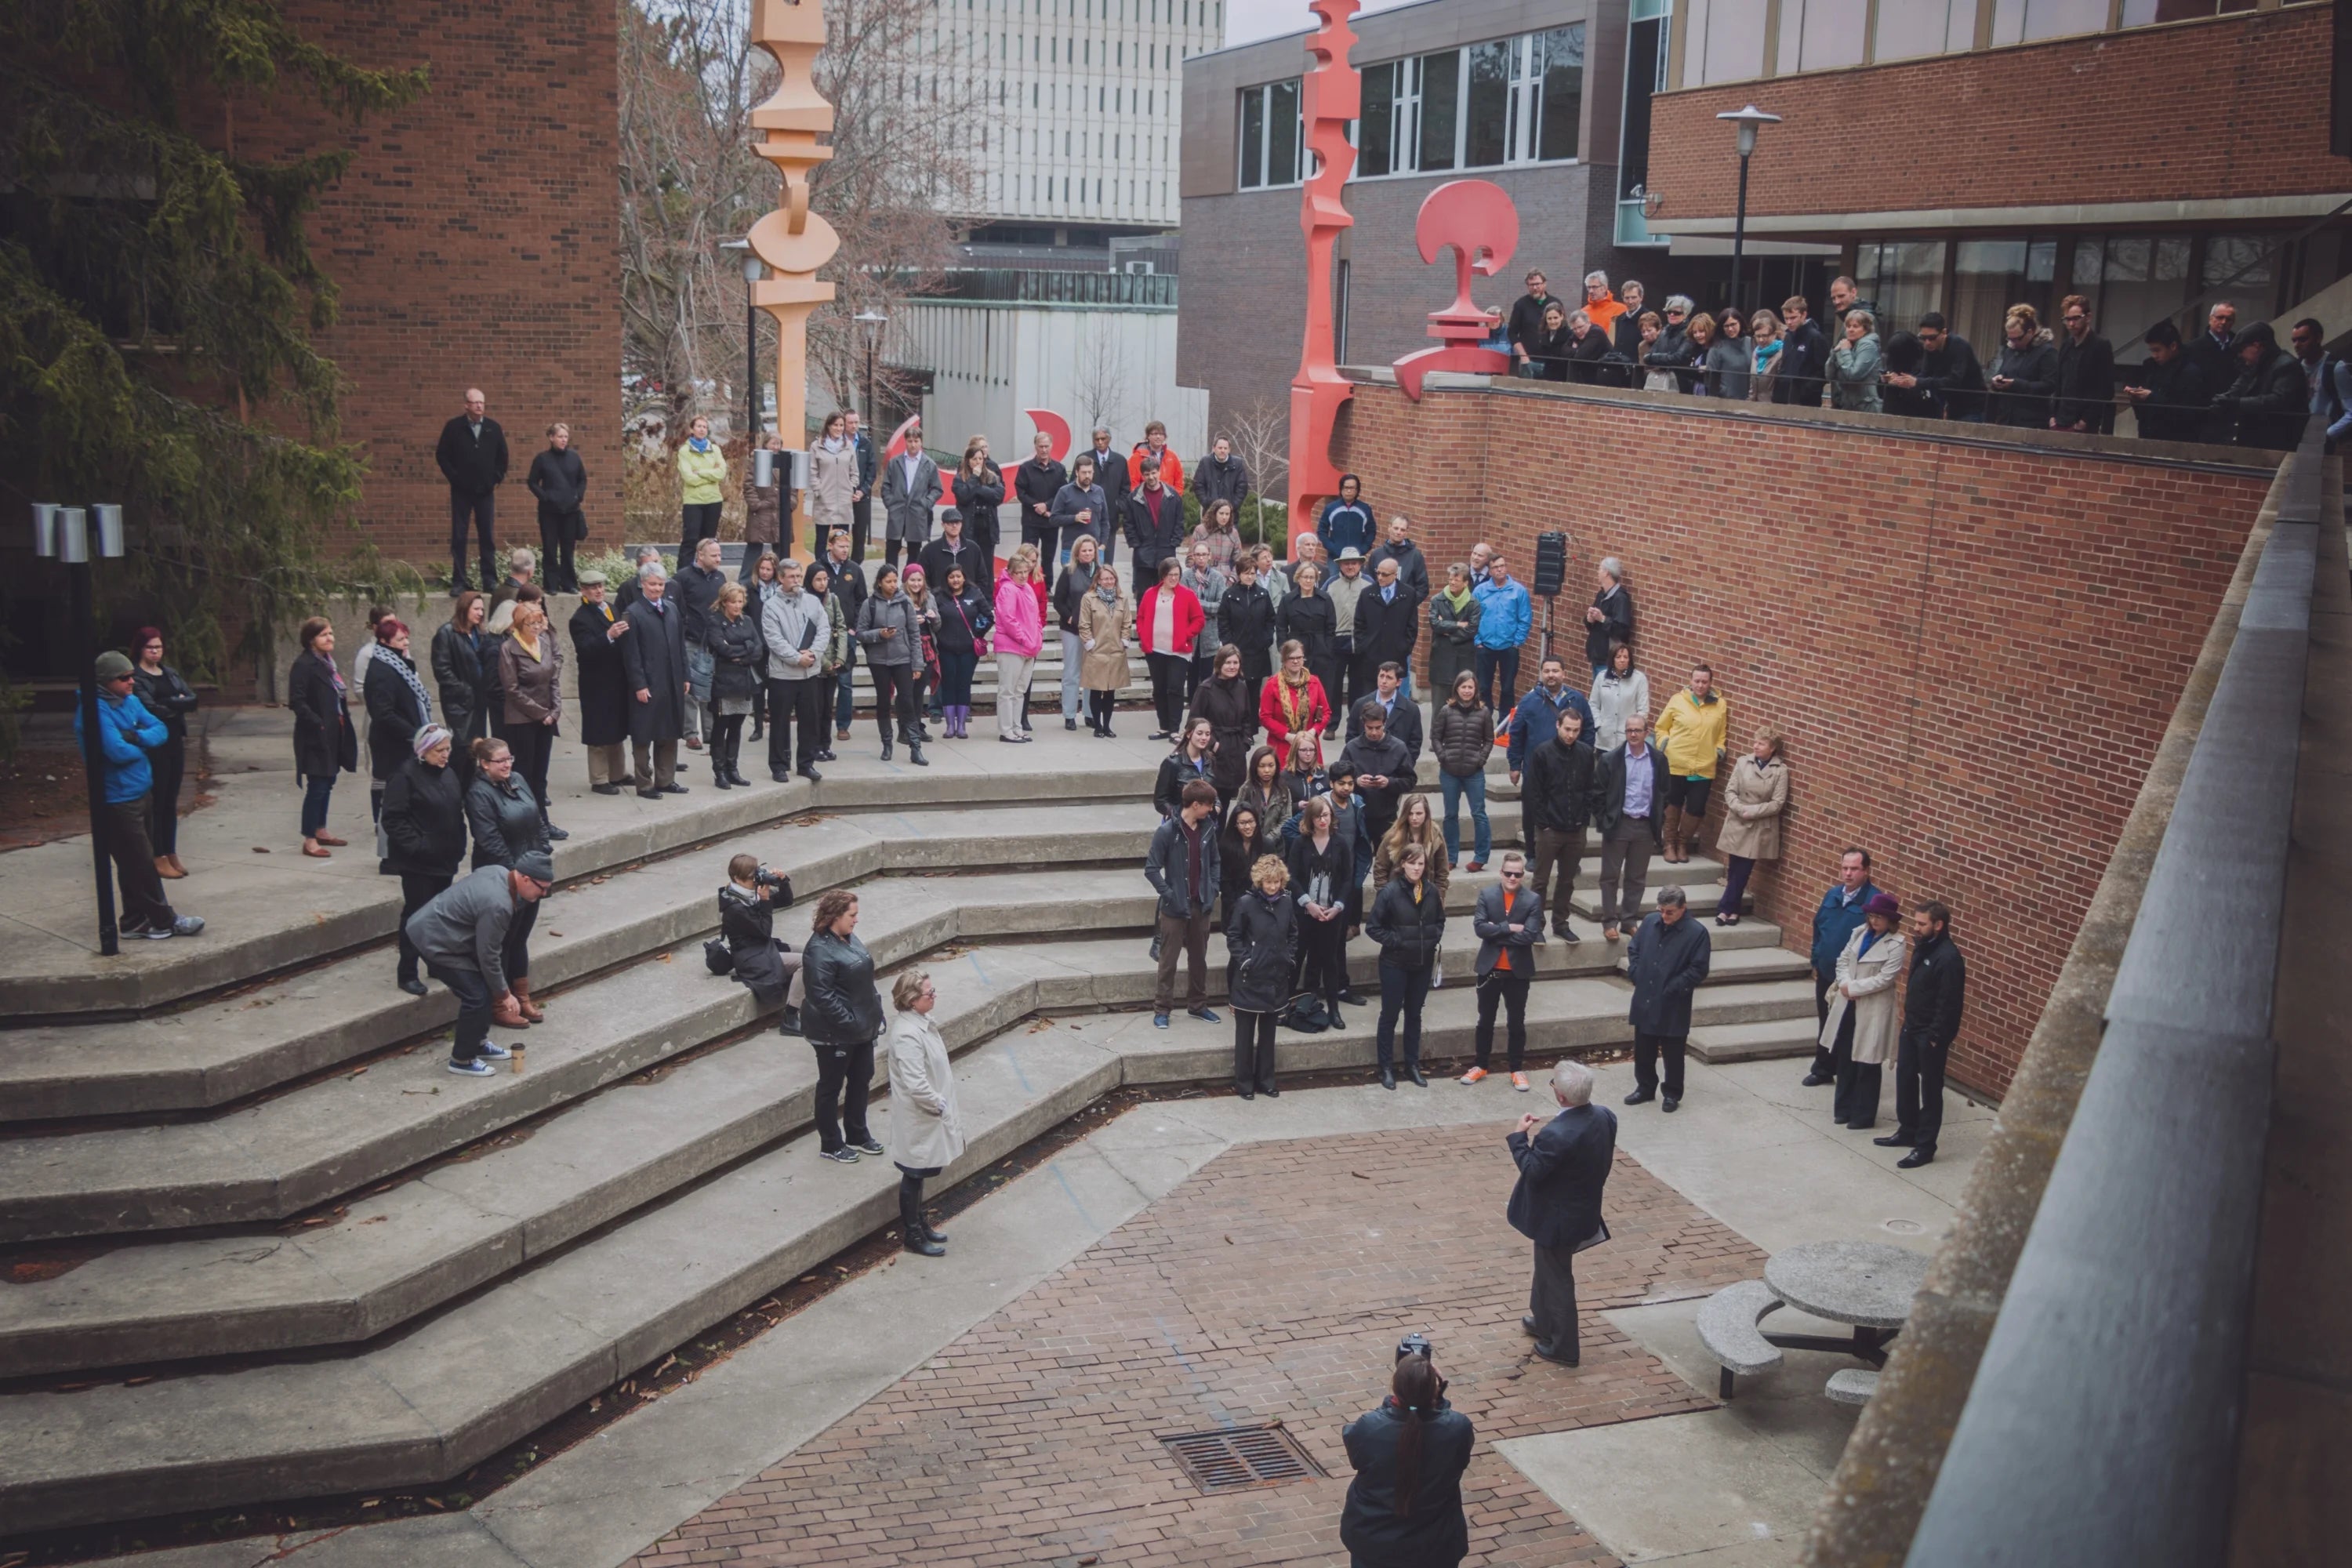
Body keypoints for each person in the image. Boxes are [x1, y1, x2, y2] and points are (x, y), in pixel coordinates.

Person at [78, 650, 205, 938]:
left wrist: (136, 736)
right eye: (124, 678)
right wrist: (141, 742)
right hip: (117, 800)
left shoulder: (129, 701)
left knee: (132, 864)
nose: (131, 681)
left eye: (132, 676)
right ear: (106, 681)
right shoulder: (94, 711)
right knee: (142, 863)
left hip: (141, 790)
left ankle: (134, 921)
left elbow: (161, 730)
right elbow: (116, 751)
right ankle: (165, 920)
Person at [1507, 1058, 1616, 1366]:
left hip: (1556, 1220)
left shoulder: (1556, 1135)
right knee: (1547, 1269)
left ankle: (1563, 1347)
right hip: (1581, 1209)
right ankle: (1543, 1322)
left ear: (1562, 1097)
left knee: (1556, 1278)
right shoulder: (1605, 1117)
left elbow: (1532, 1170)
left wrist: (1519, 1137)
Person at [405, 849, 550, 1075]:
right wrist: (505, 994)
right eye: (542, 888)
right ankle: (461, 1060)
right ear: (524, 878)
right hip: (434, 940)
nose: (543, 894)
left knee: (483, 988)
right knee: (477, 996)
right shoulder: (498, 904)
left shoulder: (499, 872)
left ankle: (478, 1042)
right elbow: (489, 954)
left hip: (447, 933)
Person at [464, 734, 552, 1024]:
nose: (507, 765)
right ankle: (501, 1005)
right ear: (484, 764)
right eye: (500, 761)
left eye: (509, 759)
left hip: (531, 872)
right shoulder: (478, 793)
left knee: (520, 938)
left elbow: (537, 817)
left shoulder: (518, 780)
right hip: (504, 876)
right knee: (502, 940)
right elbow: (489, 839)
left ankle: (523, 998)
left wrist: (542, 855)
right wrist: (518, 874)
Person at [879, 967, 964, 1256]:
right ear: (913, 1000)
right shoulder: (907, 1035)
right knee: (913, 1174)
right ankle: (913, 1234)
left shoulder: (921, 1023)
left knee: (920, 1173)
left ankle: (920, 1224)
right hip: (920, 1117)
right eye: (930, 993)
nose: (934, 995)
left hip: (926, 1115)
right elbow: (916, 1082)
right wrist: (937, 1104)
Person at [800, 887, 885, 1162]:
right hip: (833, 1034)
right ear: (835, 915)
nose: (856, 920)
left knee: (861, 1080)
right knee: (830, 1087)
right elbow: (820, 996)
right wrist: (851, 1022)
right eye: (852, 915)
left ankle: (857, 1135)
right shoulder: (818, 950)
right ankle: (831, 1143)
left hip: (861, 1027)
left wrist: (873, 1013)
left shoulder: (848, 937)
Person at [1878, 901, 1965, 1168]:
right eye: (1915, 922)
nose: (1915, 928)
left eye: (1921, 923)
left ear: (1938, 925)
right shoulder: (1923, 947)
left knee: (1930, 1090)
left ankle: (1925, 1146)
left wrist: (1936, 1037)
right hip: (1912, 1027)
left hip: (1930, 1035)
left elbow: (1949, 1003)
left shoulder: (1948, 957)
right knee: (1904, 1079)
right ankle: (1907, 1131)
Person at [381, 724, 463, 995]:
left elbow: (454, 810)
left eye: (448, 749)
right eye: (440, 750)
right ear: (424, 751)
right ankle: (407, 971)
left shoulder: (448, 773)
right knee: (416, 917)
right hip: (417, 862)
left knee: (439, 915)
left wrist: (458, 844)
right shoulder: (404, 777)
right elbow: (393, 819)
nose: (445, 755)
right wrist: (419, 846)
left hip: (445, 858)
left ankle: (435, 963)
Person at [1820, 891, 1905, 1131]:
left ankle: (1863, 1115)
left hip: (1873, 1008)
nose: (1874, 921)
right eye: (1871, 916)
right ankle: (1843, 1109)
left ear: (1890, 920)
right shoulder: (1859, 932)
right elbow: (1843, 960)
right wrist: (1845, 983)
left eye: (1880, 917)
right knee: (1845, 1056)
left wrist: (1854, 988)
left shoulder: (1897, 943)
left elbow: (1886, 979)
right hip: (1849, 1004)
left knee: (1868, 1060)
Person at [1623, 887, 1710, 1112]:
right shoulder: (1651, 922)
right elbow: (1634, 948)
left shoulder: (1696, 933)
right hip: (1645, 996)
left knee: (1673, 1053)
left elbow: (1699, 969)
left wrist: (1674, 987)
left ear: (1683, 909)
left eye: (1670, 912)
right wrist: (1636, 972)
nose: (1664, 916)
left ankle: (1672, 1093)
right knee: (1643, 1048)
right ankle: (1645, 1087)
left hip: (1673, 1003)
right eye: (1661, 910)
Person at [1367, 844, 1445, 1090]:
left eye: (1421, 864)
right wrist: (1397, 941)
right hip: (1395, 964)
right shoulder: (1390, 892)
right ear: (1403, 864)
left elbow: (1440, 921)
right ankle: (1386, 1068)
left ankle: (1412, 1065)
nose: (1417, 868)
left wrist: (1432, 938)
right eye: (1412, 863)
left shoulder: (1431, 892)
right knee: (1390, 1015)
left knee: (1414, 1015)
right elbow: (1373, 927)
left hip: (1422, 963)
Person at [1145, 779, 1223, 1029]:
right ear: (1196, 804)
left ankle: (1198, 1005)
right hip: (1175, 908)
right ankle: (1162, 1009)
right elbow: (1152, 869)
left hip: (1201, 904)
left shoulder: (1208, 828)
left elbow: (1215, 862)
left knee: (1199, 959)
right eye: (1208, 805)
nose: (1211, 810)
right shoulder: (1167, 831)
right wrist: (1168, 894)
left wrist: (1213, 888)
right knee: (1168, 960)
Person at [1464, 851, 1542, 1088]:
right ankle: (1480, 1064)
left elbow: (1529, 935)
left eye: (1517, 874)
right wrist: (1509, 927)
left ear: (1523, 875)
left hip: (1518, 972)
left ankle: (1516, 1068)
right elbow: (1479, 928)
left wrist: (1496, 932)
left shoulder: (1532, 900)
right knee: (1485, 1020)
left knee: (1516, 1022)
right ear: (1501, 872)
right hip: (1490, 969)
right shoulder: (1487, 895)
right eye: (1508, 873)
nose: (1512, 877)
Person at [1805, 848, 1883, 1087]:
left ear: (1866, 871)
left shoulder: (1873, 902)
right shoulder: (1832, 895)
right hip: (1827, 973)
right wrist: (1816, 958)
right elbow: (1818, 927)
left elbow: (1875, 943)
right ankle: (1823, 1068)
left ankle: (1849, 1073)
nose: (1848, 874)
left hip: (1852, 980)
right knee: (1826, 1021)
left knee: (1848, 1026)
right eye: (1845, 868)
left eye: (1854, 869)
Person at [1224, 853, 1297, 1100]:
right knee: (1244, 1036)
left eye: (1277, 882)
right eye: (1269, 882)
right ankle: (1244, 1084)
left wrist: (1289, 957)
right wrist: (1246, 960)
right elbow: (1233, 936)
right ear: (1260, 881)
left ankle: (1266, 1081)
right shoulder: (1246, 903)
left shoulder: (1287, 902)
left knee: (1268, 1035)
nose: (1273, 886)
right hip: (1249, 979)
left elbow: (1293, 933)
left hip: (1275, 979)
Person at [1522, 706, 1597, 943]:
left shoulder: (1585, 753)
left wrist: (1584, 819)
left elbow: (1589, 789)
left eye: (1576, 730)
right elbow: (1534, 793)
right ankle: (1535, 925)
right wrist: (1543, 824)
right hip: (1550, 829)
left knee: (1567, 881)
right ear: (1558, 726)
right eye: (1567, 729)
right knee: (1541, 881)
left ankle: (1561, 923)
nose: (1571, 735)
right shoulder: (1542, 752)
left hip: (1576, 829)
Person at [129, 628, 198, 879]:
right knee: (157, 801)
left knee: (171, 801)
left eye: (159, 647)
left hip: (175, 742)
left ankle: (170, 852)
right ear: (140, 649)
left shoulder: (170, 673)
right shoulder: (136, 678)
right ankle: (156, 855)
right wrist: (175, 703)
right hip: (155, 745)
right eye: (151, 648)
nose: (156, 651)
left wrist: (172, 703)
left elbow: (192, 699)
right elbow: (151, 710)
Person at [1593, 712, 1668, 942]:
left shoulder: (1658, 759)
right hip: (1619, 824)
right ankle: (1609, 921)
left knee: (1637, 877)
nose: (1633, 734)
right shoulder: (1611, 759)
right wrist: (1606, 820)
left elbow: (1664, 791)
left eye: (1637, 730)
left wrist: (1658, 819)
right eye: (1629, 730)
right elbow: (1597, 794)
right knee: (1610, 876)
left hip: (1644, 826)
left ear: (1647, 732)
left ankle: (1629, 920)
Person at [289, 616, 357, 858]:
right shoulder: (304, 665)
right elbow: (297, 701)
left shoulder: (328, 663)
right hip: (316, 735)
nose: (331, 638)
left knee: (328, 782)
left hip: (334, 731)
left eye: (331, 633)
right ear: (311, 640)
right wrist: (318, 724)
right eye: (324, 635)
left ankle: (321, 829)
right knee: (317, 785)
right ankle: (309, 838)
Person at [620, 564, 691, 798]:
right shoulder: (633, 613)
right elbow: (631, 655)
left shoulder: (671, 609)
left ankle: (666, 779)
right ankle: (645, 784)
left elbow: (681, 647)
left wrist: (686, 676)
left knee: (669, 732)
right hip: (648, 685)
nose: (657, 589)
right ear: (642, 584)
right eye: (652, 584)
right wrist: (639, 685)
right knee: (644, 735)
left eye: (661, 584)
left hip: (671, 682)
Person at [717, 851, 805, 1033]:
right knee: (806, 962)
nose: (755, 881)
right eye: (751, 878)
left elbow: (786, 900)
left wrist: (783, 881)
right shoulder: (735, 907)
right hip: (751, 957)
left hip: (763, 948)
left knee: (813, 951)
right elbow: (764, 931)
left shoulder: (750, 894)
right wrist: (764, 901)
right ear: (737, 878)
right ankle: (790, 1018)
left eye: (756, 875)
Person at [1287, 793, 1355, 1029]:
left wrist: (1338, 907)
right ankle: (1289, 1008)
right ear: (1310, 819)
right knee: (1298, 959)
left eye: (1325, 815)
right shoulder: (1300, 843)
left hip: (1331, 914)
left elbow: (1347, 879)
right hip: (1305, 914)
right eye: (1317, 817)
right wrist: (1308, 904)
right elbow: (1292, 877)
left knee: (1330, 962)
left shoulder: (1341, 843)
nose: (1322, 820)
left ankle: (1334, 1010)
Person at [498, 601, 564, 835]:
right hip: (522, 720)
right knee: (524, 775)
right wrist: (541, 713)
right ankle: (530, 826)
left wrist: (555, 710)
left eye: (540, 622)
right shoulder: (509, 648)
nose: (537, 627)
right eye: (531, 623)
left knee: (540, 776)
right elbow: (512, 690)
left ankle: (544, 822)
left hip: (546, 718)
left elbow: (553, 678)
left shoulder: (544, 641)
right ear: (519, 624)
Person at [1653, 662, 1729, 865]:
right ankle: (1669, 843)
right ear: (1690, 681)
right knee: (1673, 803)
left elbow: (1721, 733)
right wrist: (1664, 744)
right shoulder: (1678, 700)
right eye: (1697, 681)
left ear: (1711, 683)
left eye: (1705, 681)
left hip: (1704, 766)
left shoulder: (1720, 704)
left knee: (1696, 807)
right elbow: (1661, 727)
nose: (1701, 685)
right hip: (1676, 762)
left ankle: (1682, 843)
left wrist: (1719, 750)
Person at [363, 616, 434, 831]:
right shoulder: (382, 670)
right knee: (390, 792)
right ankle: (386, 836)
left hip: (405, 739)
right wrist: (415, 732)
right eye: (401, 639)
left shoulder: (397, 663)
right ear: (385, 641)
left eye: (406, 638)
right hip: (392, 743)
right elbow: (384, 713)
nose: (406, 643)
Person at [435, 387, 507, 593]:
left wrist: (495, 479)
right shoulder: (453, 428)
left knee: (487, 536)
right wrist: (455, 478)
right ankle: (459, 581)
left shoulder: (493, 428)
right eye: (475, 402)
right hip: (461, 491)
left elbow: (503, 458)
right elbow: (442, 455)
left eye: (482, 403)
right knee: (459, 535)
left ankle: (489, 580)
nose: (479, 406)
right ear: (466, 405)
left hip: (485, 491)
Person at [1713, 730, 1787, 927]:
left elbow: (1778, 802)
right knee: (1735, 866)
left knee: (1743, 869)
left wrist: (1753, 811)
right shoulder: (1743, 762)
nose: (1755, 746)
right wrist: (1740, 808)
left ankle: (1725, 908)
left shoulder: (1780, 770)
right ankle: (1733, 910)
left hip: (1758, 825)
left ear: (1772, 748)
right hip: (1738, 820)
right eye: (1755, 742)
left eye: (1761, 744)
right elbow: (1730, 790)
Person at [566, 573, 631, 795]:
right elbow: (585, 650)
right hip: (596, 682)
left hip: (616, 679)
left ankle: (618, 773)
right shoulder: (580, 618)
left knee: (616, 727)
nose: (598, 591)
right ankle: (599, 778)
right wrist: (609, 635)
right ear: (583, 591)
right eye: (592, 588)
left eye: (601, 586)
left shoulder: (612, 609)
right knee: (599, 731)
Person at [855, 564, 927, 764]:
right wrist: (880, 634)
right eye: (888, 581)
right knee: (883, 702)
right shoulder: (869, 604)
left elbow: (914, 634)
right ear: (880, 582)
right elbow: (860, 633)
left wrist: (917, 664)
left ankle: (915, 746)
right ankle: (887, 744)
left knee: (906, 701)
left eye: (895, 581)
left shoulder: (905, 603)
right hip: (879, 660)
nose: (893, 585)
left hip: (902, 658)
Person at [700, 581, 765, 788]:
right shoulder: (715, 621)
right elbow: (722, 649)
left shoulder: (747, 621)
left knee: (737, 726)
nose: (737, 606)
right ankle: (719, 771)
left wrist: (742, 653)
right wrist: (745, 648)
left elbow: (758, 649)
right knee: (721, 727)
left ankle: (733, 768)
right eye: (733, 602)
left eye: (740, 601)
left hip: (744, 681)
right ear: (724, 602)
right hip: (723, 681)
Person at [1431, 670, 1495, 872]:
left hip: (1474, 772)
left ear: (1475, 690)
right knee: (1451, 815)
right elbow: (1435, 737)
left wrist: (1481, 758)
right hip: (1449, 771)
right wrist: (1443, 756)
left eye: (1470, 687)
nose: (1467, 691)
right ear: (1457, 688)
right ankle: (1451, 856)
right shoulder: (1446, 711)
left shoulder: (1484, 713)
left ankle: (1481, 856)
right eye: (1463, 687)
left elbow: (1490, 739)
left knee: (1479, 814)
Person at [2214, 321, 2310, 451]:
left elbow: (2278, 400)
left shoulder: (2287, 365)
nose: (2240, 355)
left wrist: (2237, 403)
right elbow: (2240, 385)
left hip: (2278, 442)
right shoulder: (2258, 364)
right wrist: (2223, 399)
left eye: (2242, 350)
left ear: (2256, 346)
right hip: (2257, 441)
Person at [1138, 556, 1205, 740]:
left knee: (1174, 688)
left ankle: (1175, 728)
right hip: (1155, 650)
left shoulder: (1187, 595)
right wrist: (1144, 636)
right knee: (1159, 689)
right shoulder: (1150, 593)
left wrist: (1186, 634)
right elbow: (1142, 617)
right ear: (1163, 575)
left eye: (1177, 574)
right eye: (1170, 575)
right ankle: (1164, 726)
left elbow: (1199, 620)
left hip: (1178, 651)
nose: (1174, 578)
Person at [434, 592, 495, 791]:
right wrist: (464, 690)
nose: (480, 613)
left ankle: (470, 790)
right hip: (459, 702)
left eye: (482, 609)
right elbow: (442, 670)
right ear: (465, 609)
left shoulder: (481, 634)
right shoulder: (447, 633)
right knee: (461, 748)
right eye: (476, 609)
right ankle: (454, 790)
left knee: (476, 747)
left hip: (479, 701)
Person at [1504, 656, 1596, 783]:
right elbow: (1516, 735)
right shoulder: (1528, 702)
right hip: (1536, 770)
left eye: (1555, 671)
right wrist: (1515, 765)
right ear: (1541, 674)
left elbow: (1588, 731)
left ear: (1564, 674)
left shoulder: (1577, 700)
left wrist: (1585, 759)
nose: (1551, 675)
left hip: (1569, 770)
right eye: (1547, 671)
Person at [2121, 321, 2215, 444]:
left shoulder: (2190, 372)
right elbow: (2142, 413)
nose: (2154, 355)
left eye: (2157, 350)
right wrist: (2137, 399)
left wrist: (2151, 397)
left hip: (2176, 440)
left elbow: (2188, 414)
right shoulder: (2150, 367)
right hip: (2148, 437)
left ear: (2173, 346)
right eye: (2152, 351)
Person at [524, 422, 586, 591]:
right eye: (560, 436)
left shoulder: (574, 458)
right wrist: (545, 497)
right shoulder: (542, 459)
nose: (563, 440)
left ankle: (569, 584)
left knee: (568, 550)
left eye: (566, 437)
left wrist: (578, 496)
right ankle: (551, 584)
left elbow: (582, 479)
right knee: (550, 549)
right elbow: (532, 482)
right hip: (549, 512)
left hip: (571, 510)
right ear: (551, 437)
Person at [1338, 704, 1413, 847]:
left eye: (1378, 728)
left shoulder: (1398, 748)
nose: (1374, 732)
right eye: (1369, 728)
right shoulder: (1352, 748)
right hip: (1357, 815)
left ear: (1385, 724)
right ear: (1363, 725)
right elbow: (1338, 779)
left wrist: (1389, 783)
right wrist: (1356, 782)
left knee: (1387, 861)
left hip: (1386, 815)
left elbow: (1410, 781)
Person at [1276, 561, 1341, 724]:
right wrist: (1285, 650)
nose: (1308, 581)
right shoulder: (1288, 600)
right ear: (1298, 578)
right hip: (1296, 647)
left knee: (1320, 686)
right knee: (1297, 685)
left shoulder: (1325, 598)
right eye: (1305, 577)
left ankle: (1320, 719)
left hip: (1320, 648)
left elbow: (1331, 626)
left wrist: (1328, 646)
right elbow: (1282, 626)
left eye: (1312, 577)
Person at [992, 543, 1045, 742]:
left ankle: (1017, 726)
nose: (1023, 575)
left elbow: (1036, 618)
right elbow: (1008, 619)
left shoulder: (1028, 589)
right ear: (1011, 572)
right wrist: (1026, 640)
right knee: (1007, 690)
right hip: (1011, 647)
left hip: (1029, 647)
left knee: (1019, 691)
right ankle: (1006, 730)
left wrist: (1037, 638)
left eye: (1026, 571)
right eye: (1019, 572)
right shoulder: (1007, 590)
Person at [931, 564, 991, 742]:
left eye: (958, 576)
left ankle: (962, 726)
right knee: (948, 685)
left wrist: (978, 633)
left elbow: (989, 616)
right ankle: (950, 725)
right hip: (946, 649)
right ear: (947, 579)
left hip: (968, 650)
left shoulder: (974, 593)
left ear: (964, 577)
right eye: (951, 577)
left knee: (964, 685)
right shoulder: (939, 596)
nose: (955, 580)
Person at [1189, 645, 1257, 799]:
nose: (1232, 667)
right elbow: (1194, 721)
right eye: (1228, 662)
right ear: (1219, 663)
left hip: (1236, 748)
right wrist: (1213, 744)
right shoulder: (1206, 689)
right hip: (1214, 750)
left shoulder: (1241, 687)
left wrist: (1245, 741)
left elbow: (1247, 718)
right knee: (1212, 798)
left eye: (1235, 662)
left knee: (1228, 799)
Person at [1052, 533, 1105, 731]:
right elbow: (1058, 601)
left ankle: (1090, 713)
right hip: (1072, 630)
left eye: (1091, 550)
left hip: (1095, 630)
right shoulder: (1069, 572)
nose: (1088, 553)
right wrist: (1069, 617)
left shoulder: (1101, 572)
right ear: (1077, 552)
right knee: (1072, 673)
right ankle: (1069, 714)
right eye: (1084, 550)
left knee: (1091, 673)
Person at [822, 528, 869, 741]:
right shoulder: (818, 567)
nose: (845, 550)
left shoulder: (854, 570)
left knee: (845, 682)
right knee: (822, 682)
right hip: (822, 635)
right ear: (830, 546)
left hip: (846, 633)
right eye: (841, 546)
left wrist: (855, 627)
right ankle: (820, 722)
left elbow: (862, 601)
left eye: (847, 546)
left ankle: (843, 725)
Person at [1355, 558, 1422, 705]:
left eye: (1384, 574)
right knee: (1371, 703)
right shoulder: (1367, 594)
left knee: (1394, 702)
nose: (1380, 577)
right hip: (1371, 658)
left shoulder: (1408, 594)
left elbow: (1412, 626)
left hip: (1396, 656)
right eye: (1378, 573)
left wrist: (1404, 648)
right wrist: (1364, 647)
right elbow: (1359, 624)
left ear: (1394, 575)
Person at [1472, 554, 1533, 715]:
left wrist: (1517, 642)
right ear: (1489, 571)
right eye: (1495, 567)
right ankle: (1485, 718)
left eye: (1502, 566)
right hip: (1485, 646)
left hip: (1509, 647)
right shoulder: (1480, 591)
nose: (1499, 570)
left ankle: (1505, 725)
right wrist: (1477, 641)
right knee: (1483, 687)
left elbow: (1525, 618)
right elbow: (1472, 617)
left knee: (1507, 688)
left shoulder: (1519, 591)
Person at [1077, 564, 1133, 739]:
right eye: (1105, 579)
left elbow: (1127, 623)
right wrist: (1090, 644)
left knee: (1110, 691)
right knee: (1096, 689)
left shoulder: (1122, 599)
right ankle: (1097, 726)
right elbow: (1084, 624)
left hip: (1116, 651)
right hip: (1096, 651)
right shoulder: (1089, 598)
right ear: (1098, 581)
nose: (1109, 582)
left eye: (1111, 578)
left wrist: (1124, 641)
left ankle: (1107, 726)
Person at [2049, 294, 2116, 434]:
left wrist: (2086, 420)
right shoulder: (2066, 345)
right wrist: (2053, 415)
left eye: (2076, 318)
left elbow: (2106, 389)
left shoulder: (2100, 345)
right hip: (2060, 420)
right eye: (2067, 319)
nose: (2071, 324)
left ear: (2088, 317)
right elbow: (2060, 382)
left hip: (2083, 423)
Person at [1260, 638, 1331, 769]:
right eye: (1291, 658)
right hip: (1282, 745)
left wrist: (1313, 732)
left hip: (1309, 744)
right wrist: (1287, 736)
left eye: (1299, 657)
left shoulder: (1314, 682)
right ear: (1284, 660)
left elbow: (1326, 712)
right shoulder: (1272, 685)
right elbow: (1265, 717)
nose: (1296, 661)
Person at [880, 425, 942, 570]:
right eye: (910, 441)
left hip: (917, 512)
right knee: (892, 548)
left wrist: (926, 503)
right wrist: (890, 502)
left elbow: (937, 488)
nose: (913, 444)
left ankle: (909, 581)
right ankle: (890, 580)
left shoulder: (929, 464)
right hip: (897, 511)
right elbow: (886, 486)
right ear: (905, 442)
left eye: (916, 441)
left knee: (914, 551)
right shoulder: (895, 462)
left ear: (921, 442)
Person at [804, 561, 848, 764]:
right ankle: (813, 747)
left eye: (825, 579)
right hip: (815, 663)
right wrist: (824, 662)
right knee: (815, 708)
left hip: (833, 662)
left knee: (827, 708)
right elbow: (808, 636)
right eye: (818, 580)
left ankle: (825, 744)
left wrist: (840, 657)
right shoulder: (805, 601)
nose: (822, 584)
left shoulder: (833, 599)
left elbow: (841, 627)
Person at [1986, 303, 2058, 427]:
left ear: (2030, 332)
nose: (2012, 343)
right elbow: (2004, 372)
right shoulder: (2010, 351)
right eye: (2009, 338)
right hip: (2006, 417)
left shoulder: (2046, 352)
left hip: (2032, 420)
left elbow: (2050, 385)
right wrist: (1997, 381)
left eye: (2017, 339)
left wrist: (2016, 384)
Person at [1221, 554, 1277, 708]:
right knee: (1235, 690)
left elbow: (1270, 619)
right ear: (1239, 574)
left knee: (1254, 692)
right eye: (1246, 573)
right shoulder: (1229, 595)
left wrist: (1266, 639)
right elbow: (1223, 621)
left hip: (1258, 651)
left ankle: (1252, 727)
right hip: (1237, 651)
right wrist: (1229, 644)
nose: (1249, 577)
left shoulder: (1263, 595)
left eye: (1252, 573)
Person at [672, 412, 728, 563]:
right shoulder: (685, 451)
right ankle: (683, 574)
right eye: (699, 426)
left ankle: (706, 570)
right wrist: (711, 476)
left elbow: (721, 473)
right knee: (691, 539)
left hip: (713, 500)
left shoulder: (715, 449)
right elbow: (689, 477)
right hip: (693, 502)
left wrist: (701, 473)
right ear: (692, 430)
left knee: (709, 542)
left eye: (705, 427)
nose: (702, 429)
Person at [1910, 312, 1987, 421]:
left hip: (1972, 405)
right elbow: (1925, 374)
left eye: (1932, 338)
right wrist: (1903, 379)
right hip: (1950, 404)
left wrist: (1917, 382)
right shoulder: (1931, 348)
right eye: (1923, 338)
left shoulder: (1959, 346)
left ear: (1944, 333)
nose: (1927, 342)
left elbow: (1954, 380)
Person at [1348, 661, 1424, 769]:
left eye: (1389, 678)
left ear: (1398, 682)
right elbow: (1351, 735)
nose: (1384, 681)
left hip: (1397, 768)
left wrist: (1406, 765)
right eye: (1381, 676)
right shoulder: (1360, 704)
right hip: (1364, 766)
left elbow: (1415, 741)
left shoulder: (1410, 709)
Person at [1178, 541, 1229, 693]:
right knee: (1192, 677)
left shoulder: (1218, 578)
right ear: (1193, 556)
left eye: (1204, 555)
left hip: (1211, 633)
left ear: (1209, 556)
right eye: (1198, 555)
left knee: (1209, 677)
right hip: (1192, 634)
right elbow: (1184, 605)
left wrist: (1198, 603)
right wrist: (1205, 607)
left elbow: (1221, 606)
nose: (1201, 558)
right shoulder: (1186, 577)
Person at [1427, 563, 1481, 703]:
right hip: (1441, 661)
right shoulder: (1437, 600)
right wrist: (1457, 624)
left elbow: (1471, 630)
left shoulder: (1473, 603)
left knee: (1463, 708)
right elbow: (1435, 625)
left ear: (1465, 583)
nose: (1452, 582)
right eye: (1450, 579)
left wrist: (1448, 633)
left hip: (1464, 661)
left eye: (1456, 580)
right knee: (1439, 710)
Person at [1050, 451, 1112, 569]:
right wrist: (1075, 518)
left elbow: (1105, 521)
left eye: (1090, 472)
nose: (1087, 476)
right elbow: (1054, 519)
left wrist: (1102, 545)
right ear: (1077, 472)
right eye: (1084, 472)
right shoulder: (1064, 492)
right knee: (1071, 584)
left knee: (1094, 585)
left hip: (1094, 550)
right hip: (1071, 549)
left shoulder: (1099, 491)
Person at [808, 411, 858, 555]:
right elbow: (812, 472)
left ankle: (841, 571)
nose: (839, 428)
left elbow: (854, 472)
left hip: (844, 501)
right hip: (824, 500)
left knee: (842, 540)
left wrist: (851, 488)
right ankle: (820, 572)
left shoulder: (849, 446)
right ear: (829, 426)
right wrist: (819, 491)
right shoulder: (816, 446)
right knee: (822, 540)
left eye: (841, 425)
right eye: (835, 425)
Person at [741, 434, 789, 584]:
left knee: (780, 547)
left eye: (779, 444)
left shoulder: (784, 460)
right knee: (755, 547)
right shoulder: (756, 460)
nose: (776, 447)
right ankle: (745, 582)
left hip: (780, 511)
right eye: (773, 443)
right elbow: (748, 485)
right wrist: (757, 504)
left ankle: (781, 580)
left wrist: (790, 503)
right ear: (766, 444)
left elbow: (792, 486)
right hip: (762, 511)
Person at [1013, 430, 1067, 556]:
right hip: (1031, 521)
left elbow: (1062, 494)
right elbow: (1021, 493)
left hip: (1051, 521)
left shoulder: (1059, 469)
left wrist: (1047, 506)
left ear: (1051, 446)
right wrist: (1037, 506)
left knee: (1048, 561)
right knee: (1027, 559)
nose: (1044, 450)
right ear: (1035, 447)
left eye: (1046, 446)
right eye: (1041, 446)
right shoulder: (1025, 468)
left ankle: (1047, 577)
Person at [919, 507, 991, 604]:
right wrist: (933, 598)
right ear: (943, 525)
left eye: (957, 522)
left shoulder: (973, 548)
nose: (954, 526)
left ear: (961, 524)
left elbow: (982, 578)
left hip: (969, 603)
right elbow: (923, 578)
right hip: (940, 604)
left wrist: (974, 598)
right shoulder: (929, 550)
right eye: (950, 523)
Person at [950, 438, 1005, 561]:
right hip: (969, 526)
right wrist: (974, 478)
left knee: (986, 564)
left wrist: (979, 489)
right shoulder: (960, 479)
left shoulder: (992, 476)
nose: (978, 462)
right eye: (974, 459)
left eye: (980, 459)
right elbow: (963, 497)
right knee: (969, 562)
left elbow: (998, 496)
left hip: (987, 526)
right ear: (968, 461)